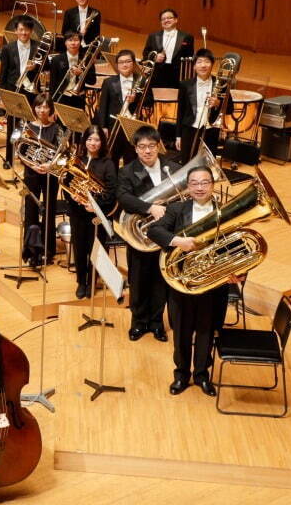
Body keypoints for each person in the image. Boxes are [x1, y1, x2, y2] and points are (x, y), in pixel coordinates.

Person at [147, 166, 229, 396]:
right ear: (188, 187)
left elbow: (234, 244)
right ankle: (181, 375)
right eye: (194, 183)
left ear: (213, 185)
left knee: (206, 331)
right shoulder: (176, 209)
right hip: (181, 284)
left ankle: (202, 375)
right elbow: (154, 231)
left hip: (212, 284)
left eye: (204, 182)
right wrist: (176, 241)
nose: (200, 187)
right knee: (181, 331)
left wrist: (237, 274)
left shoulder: (225, 211)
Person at [115, 126, 177, 343]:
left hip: (164, 236)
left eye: (151, 146)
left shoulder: (173, 168)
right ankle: (138, 323)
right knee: (139, 281)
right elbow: (123, 197)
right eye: (142, 147)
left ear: (158, 145)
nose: (147, 151)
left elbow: (182, 198)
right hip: (139, 237)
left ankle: (157, 323)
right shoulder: (128, 171)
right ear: (136, 148)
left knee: (161, 282)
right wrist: (149, 207)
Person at [65, 125, 120, 300]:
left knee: (95, 249)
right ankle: (81, 281)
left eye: (96, 140)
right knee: (79, 247)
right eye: (89, 139)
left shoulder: (108, 163)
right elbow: (67, 181)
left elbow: (111, 192)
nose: (92, 143)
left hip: (96, 214)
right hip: (77, 211)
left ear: (102, 142)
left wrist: (95, 204)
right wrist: (72, 195)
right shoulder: (77, 160)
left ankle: (92, 281)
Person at [20, 94, 65, 268]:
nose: (42, 110)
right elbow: (20, 150)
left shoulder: (57, 129)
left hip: (49, 175)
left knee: (49, 210)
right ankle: (31, 250)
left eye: (46, 107)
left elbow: (62, 154)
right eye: (39, 107)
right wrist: (32, 165)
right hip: (31, 174)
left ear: (51, 109)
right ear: (34, 108)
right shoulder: (27, 127)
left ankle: (47, 250)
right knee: (30, 210)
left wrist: (48, 165)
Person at [176, 48, 228, 161]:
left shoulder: (221, 84)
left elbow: (230, 108)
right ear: (194, 66)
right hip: (189, 129)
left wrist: (218, 103)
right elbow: (180, 111)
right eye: (199, 62)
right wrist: (178, 136)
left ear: (212, 64)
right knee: (186, 163)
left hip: (210, 130)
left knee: (207, 165)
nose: (203, 65)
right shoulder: (185, 85)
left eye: (207, 61)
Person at [141, 7, 194, 90]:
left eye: (169, 18)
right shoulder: (153, 36)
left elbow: (189, 57)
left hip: (178, 75)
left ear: (176, 20)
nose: (166, 20)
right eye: (163, 19)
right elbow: (145, 53)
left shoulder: (187, 37)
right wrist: (155, 57)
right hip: (157, 73)